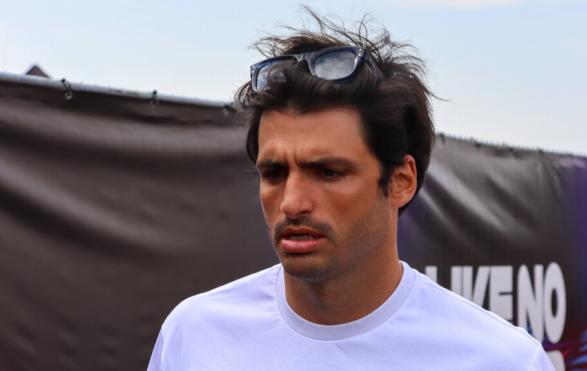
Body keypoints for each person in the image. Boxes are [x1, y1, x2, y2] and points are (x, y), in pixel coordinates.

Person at [147, 11, 555, 371]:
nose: (292, 202)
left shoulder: (501, 360)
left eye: (327, 171)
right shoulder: (194, 337)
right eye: (273, 172)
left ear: (401, 181)